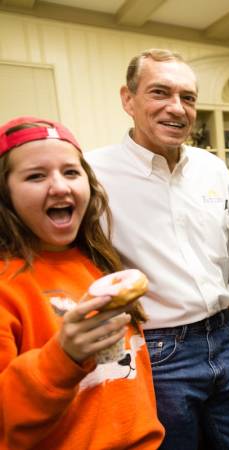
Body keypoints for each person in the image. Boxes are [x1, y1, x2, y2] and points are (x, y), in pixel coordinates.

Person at [85, 49, 229, 450]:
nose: (177, 108)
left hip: (228, 336)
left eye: (187, 97)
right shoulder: (92, 175)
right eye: (160, 93)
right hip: (155, 350)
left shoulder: (212, 168)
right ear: (127, 99)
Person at [0, 117, 165, 449]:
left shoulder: (97, 263)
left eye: (71, 172)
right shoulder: (7, 287)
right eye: (36, 175)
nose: (60, 187)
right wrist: (63, 357)